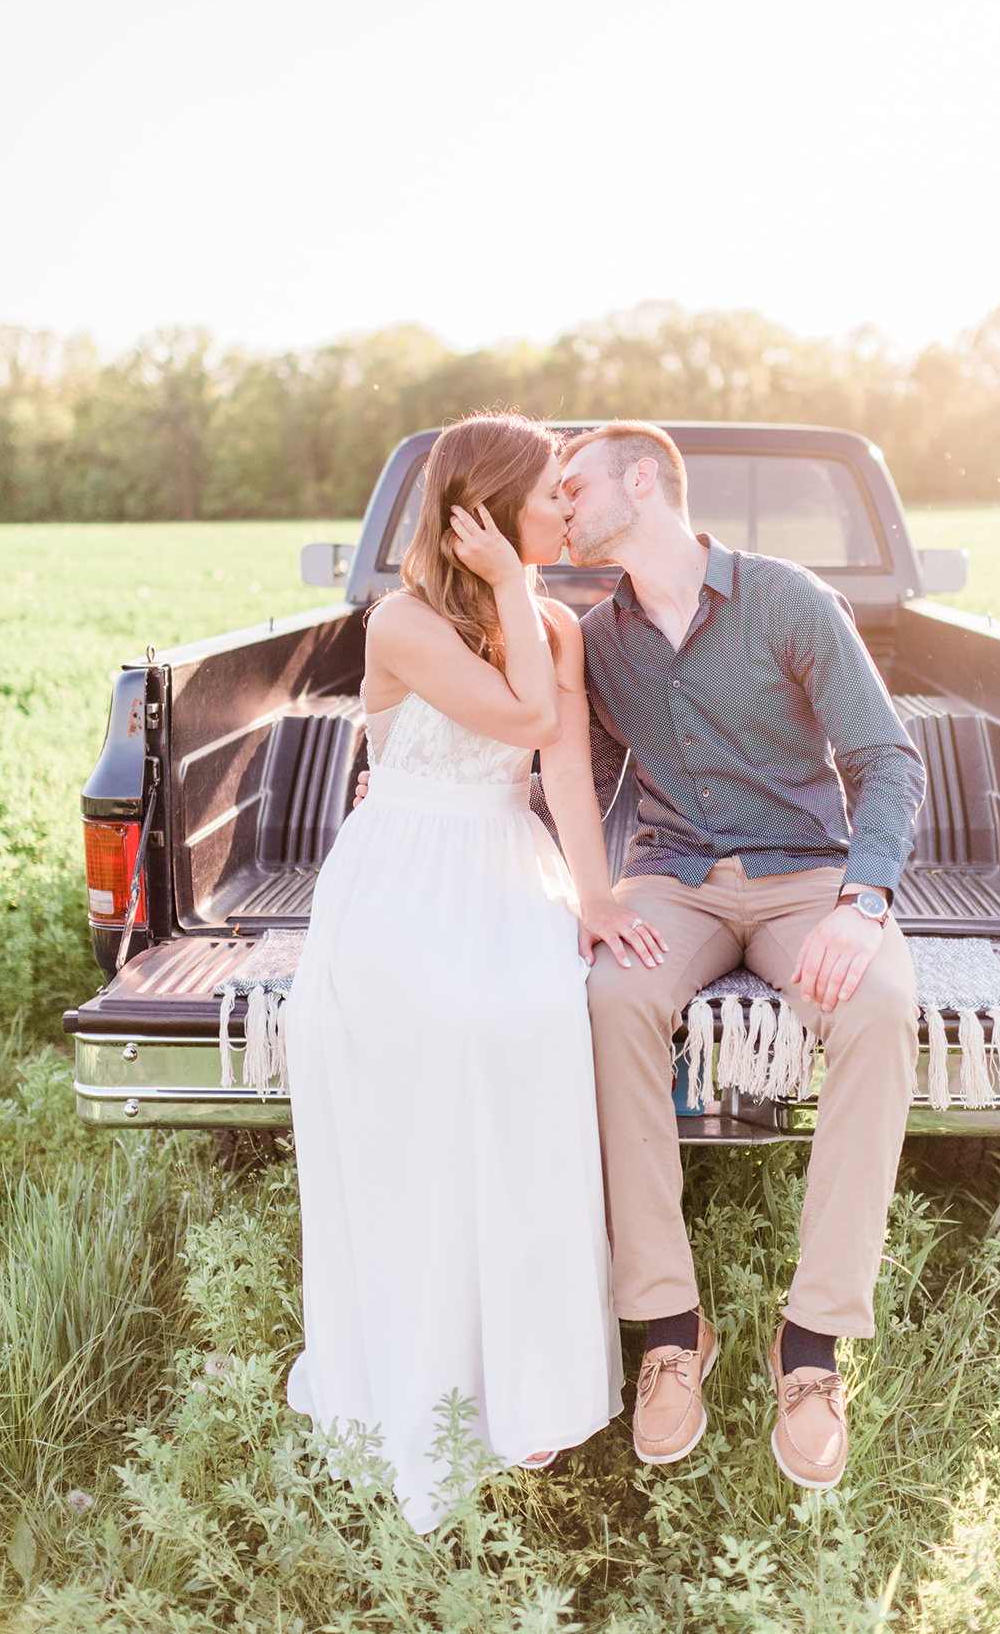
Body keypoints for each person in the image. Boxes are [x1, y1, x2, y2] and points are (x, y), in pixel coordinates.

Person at [284, 412, 666, 1534]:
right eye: (551, 490)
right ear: (487, 513)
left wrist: (594, 899)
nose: (568, 507)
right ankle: (429, 1375)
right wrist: (503, 580)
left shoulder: (558, 623)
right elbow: (516, 710)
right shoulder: (402, 622)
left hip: (506, 859)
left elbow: (557, 765)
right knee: (451, 1034)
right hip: (405, 872)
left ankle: (529, 1380)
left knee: (541, 1020)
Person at [553, 421, 925, 1491]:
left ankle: (810, 1348)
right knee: (613, 997)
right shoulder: (598, 638)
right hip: (672, 879)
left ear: (642, 480)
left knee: (878, 1004)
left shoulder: (786, 599)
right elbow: (571, 780)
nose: (561, 506)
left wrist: (862, 903)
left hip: (809, 875)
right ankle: (671, 1328)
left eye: (573, 485)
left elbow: (884, 760)